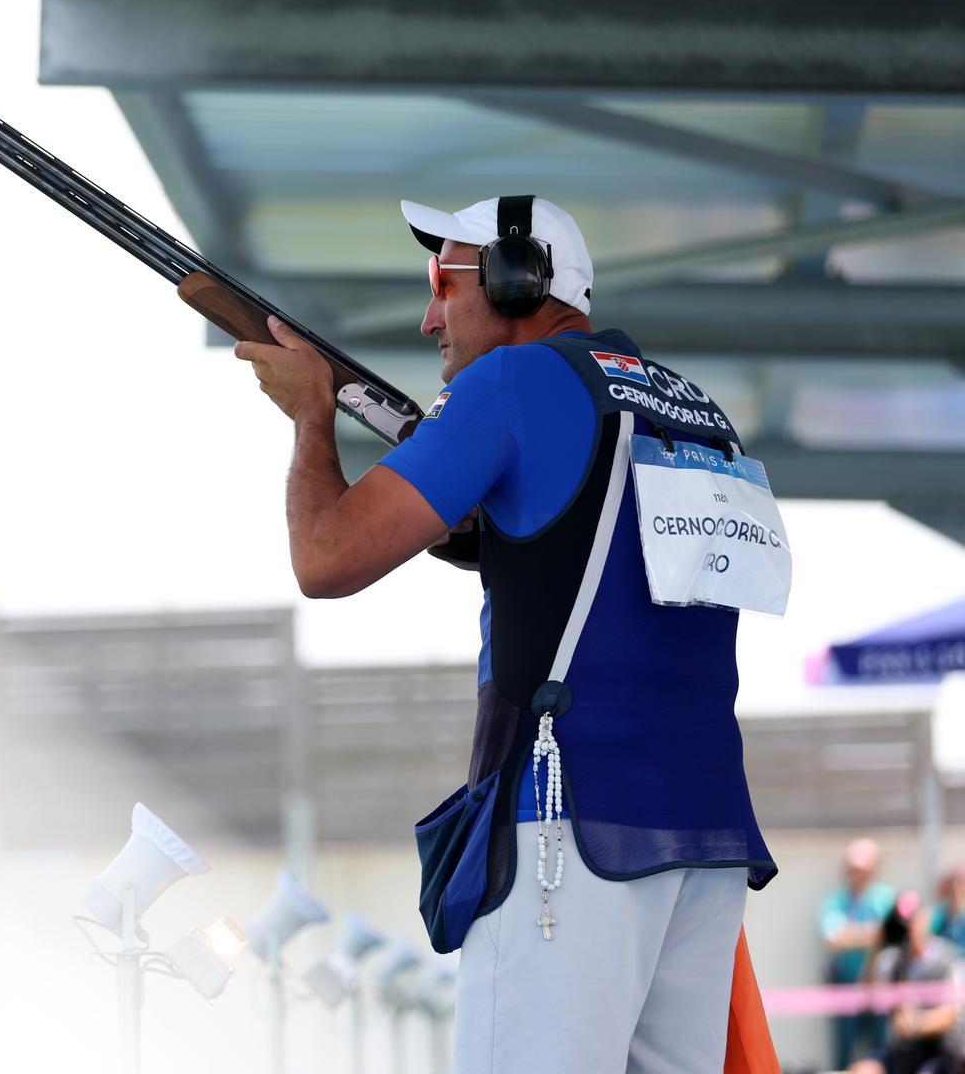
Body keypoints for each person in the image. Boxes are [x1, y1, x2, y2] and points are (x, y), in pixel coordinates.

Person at [233, 194, 777, 1073]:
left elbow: (324, 559)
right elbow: (556, 550)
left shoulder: (510, 386)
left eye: (444, 285)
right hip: (701, 840)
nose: (430, 318)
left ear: (514, 279)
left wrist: (309, 416)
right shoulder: (694, 410)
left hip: (567, 828)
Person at [850, 891, 965, 1074]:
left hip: (940, 1052)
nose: (910, 926)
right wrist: (877, 945)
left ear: (926, 918)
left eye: (914, 919)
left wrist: (915, 1024)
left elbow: (950, 1014)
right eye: (904, 921)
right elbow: (868, 999)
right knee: (863, 1070)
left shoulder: (948, 959)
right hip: (901, 1052)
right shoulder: (892, 960)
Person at [824, 838, 900, 1069]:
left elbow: (892, 937)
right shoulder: (836, 900)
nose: (858, 875)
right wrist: (871, 934)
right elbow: (834, 939)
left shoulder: (886, 897)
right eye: (854, 869)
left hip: (881, 986)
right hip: (846, 986)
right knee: (844, 1053)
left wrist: (853, 935)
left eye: (863, 870)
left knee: (881, 1051)